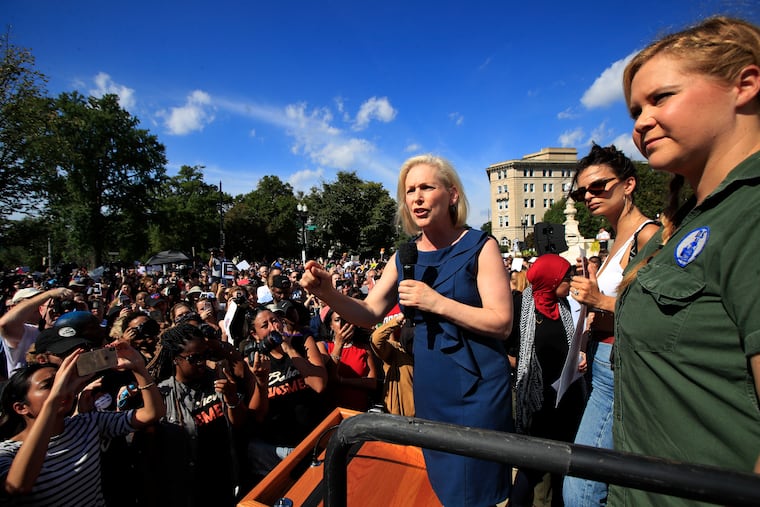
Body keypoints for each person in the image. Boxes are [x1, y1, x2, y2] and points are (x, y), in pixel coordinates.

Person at [301, 154, 513, 507]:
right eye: (409, 190)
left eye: (426, 187)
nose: (416, 197)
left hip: (478, 388)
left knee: (476, 492)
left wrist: (436, 302)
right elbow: (369, 312)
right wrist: (326, 292)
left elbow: (501, 322)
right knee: (445, 487)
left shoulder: (481, 246)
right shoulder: (405, 256)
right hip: (431, 386)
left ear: (453, 195)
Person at [610, 17, 760, 506]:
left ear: (745, 85)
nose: (640, 121)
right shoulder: (692, 221)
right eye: (636, 109)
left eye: (661, 98)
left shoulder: (750, 214)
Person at [563, 144, 659, 506]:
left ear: (629, 184)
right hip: (602, 362)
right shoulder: (618, 236)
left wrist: (598, 302)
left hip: (621, 367)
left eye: (599, 186)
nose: (588, 196)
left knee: (582, 489)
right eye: (581, 191)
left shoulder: (647, 236)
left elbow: (657, 309)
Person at [0, 340, 163, 505]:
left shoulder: (86, 424)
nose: (61, 388)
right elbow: (17, 487)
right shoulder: (7, 453)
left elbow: (152, 413)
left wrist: (139, 368)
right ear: (21, 408)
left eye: (61, 381)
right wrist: (54, 400)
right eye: (49, 385)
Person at [510, 254, 587, 507]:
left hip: (566, 400)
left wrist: (579, 358)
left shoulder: (564, 307)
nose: (571, 282)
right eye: (567, 278)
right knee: (537, 470)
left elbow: (568, 346)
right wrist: (529, 371)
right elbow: (508, 355)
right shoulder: (521, 308)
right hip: (537, 404)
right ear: (552, 280)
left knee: (563, 467)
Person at [147, 323, 245, 506]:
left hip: (224, 481)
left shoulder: (217, 380)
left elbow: (239, 424)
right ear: (176, 359)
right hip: (187, 490)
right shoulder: (163, 394)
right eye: (194, 358)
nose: (202, 362)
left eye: (205, 356)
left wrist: (232, 398)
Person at [317, 307, 378, 411]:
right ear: (330, 325)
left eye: (347, 319)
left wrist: (342, 380)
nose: (343, 324)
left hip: (358, 410)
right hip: (333, 410)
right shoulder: (323, 346)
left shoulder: (364, 349)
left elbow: (372, 383)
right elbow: (329, 378)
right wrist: (339, 345)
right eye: (337, 320)